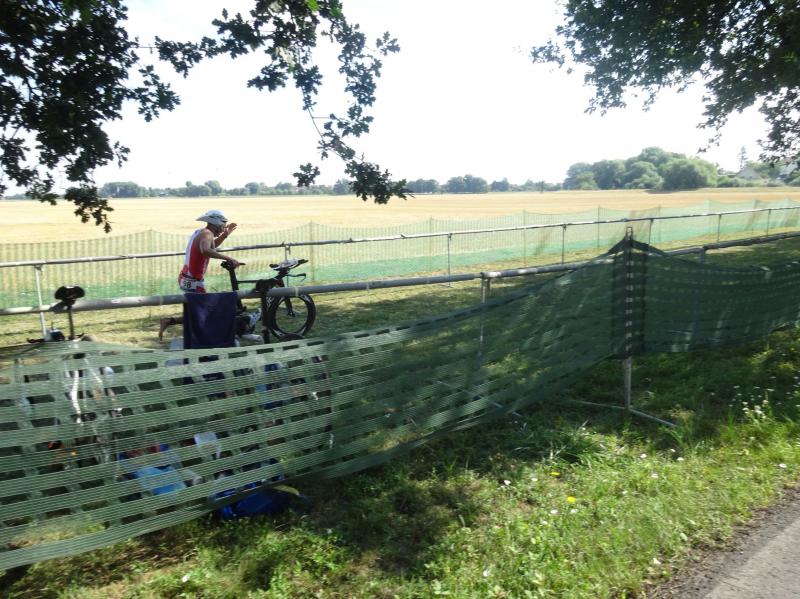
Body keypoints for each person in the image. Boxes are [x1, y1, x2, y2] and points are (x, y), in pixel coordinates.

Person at [159, 209, 241, 340]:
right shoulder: (207, 234)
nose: (223, 229)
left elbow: (211, 246)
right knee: (206, 311)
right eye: (223, 226)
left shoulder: (203, 232)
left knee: (198, 312)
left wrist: (225, 235)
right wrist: (229, 258)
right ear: (216, 223)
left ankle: (169, 321)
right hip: (193, 280)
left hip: (186, 277)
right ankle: (213, 339)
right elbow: (206, 250)